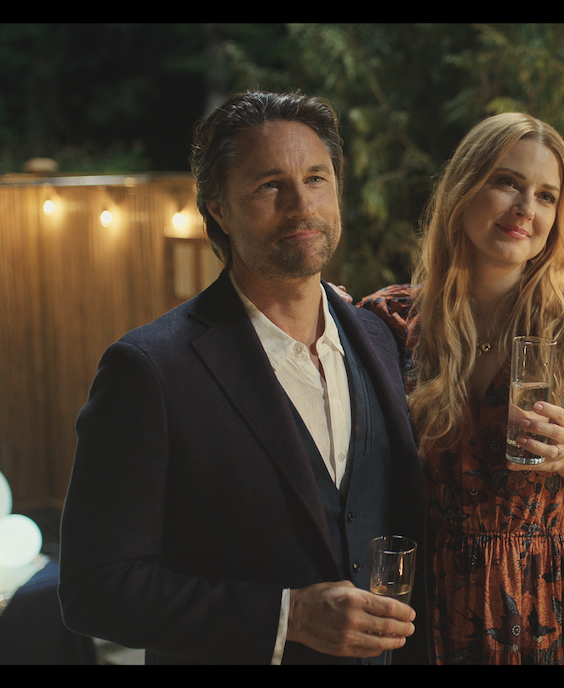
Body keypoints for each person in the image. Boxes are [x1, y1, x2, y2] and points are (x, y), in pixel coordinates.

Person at [58, 91, 428, 665]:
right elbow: (94, 590)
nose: (301, 205)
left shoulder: (379, 340)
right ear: (219, 210)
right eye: (268, 186)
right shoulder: (149, 370)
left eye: (316, 179)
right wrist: (289, 617)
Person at [358, 112, 564, 664]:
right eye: (507, 182)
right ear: (463, 188)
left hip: (552, 598)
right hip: (431, 596)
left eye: (546, 196)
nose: (526, 208)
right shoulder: (394, 322)